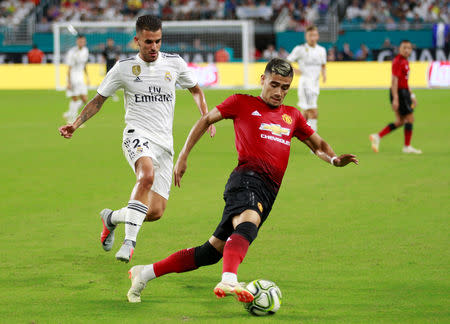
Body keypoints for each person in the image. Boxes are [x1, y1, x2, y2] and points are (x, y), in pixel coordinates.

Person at [125, 58, 358, 303]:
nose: (279, 92)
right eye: (274, 84)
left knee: (209, 252)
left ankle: (145, 272)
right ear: (263, 80)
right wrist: (183, 156)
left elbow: (317, 144)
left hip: (269, 191)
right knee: (247, 225)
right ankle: (229, 279)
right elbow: (206, 120)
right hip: (246, 180)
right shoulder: (241, 102)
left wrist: (333, 159)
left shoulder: (293, 116)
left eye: (285, 87)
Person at [58, 15, 216, 263]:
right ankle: (129, 243)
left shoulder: (174, 64)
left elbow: (196, 90)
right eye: (148, 42)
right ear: (137, 40)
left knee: (154, 211)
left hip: (165, 143)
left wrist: (206, 117)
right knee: (146, 175)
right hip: (136, 135)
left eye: (158, 41)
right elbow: (98, 100)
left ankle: (111, 218)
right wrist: (75, 124)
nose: (154, 47)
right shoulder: (123, 68)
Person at [369, 40, 422, 154]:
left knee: (400, 121)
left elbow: (405, 81)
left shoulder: (405, 61)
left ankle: (377, 136)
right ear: (399, 49)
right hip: (400, 93)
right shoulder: (398, 61)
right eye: (404, 48)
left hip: (403, 92)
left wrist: (411, 95)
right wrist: (396, 98)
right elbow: (394, 81)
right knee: (410, 119)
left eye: (409, 48)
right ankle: (407, 147)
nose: (407, 50)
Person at [286, 25, 326, 133]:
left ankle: (290, 132)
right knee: (313, 112)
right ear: (306, 36)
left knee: (305, 114)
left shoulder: (321, 50)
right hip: (305, 84)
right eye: (310, 35)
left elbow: (323, 64)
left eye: (315, 35)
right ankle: (314, 143)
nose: (313, 37)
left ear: (317, 36)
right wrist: (294, 70)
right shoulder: (300, 49)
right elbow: (287, 61)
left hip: (315, 85)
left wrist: (324, 74)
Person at [62, 35, 90, 124]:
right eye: (80, 41)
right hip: (73, 77)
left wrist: (87, 77)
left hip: (80, 77)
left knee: (85, 99)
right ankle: (72, 121)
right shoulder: (72, 52)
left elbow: (84, 65)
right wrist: (68, 82)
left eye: (83, 41)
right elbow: (69, 68)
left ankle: (69, 113)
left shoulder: (86, 51)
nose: (81, 43)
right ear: (77, 41)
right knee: (74, 98)